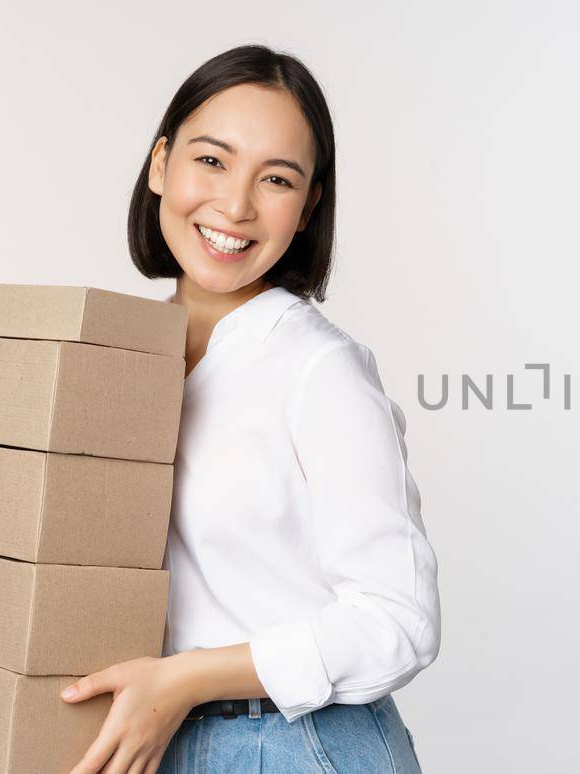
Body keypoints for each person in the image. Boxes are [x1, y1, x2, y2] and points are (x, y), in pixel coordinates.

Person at [57, 44, 441, 774]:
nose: (235, 205)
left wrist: (185, 679)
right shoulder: (118, 362)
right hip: (153, 737)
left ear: (307, 209)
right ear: (160, 163)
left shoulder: (319, 370)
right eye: (211, 160)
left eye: (276, 179)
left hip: (295, 745)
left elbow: (401, 622)